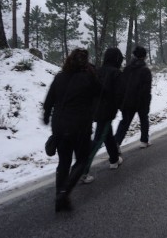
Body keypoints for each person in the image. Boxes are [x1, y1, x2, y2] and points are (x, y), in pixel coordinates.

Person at [43, 48, 101, 212]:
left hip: (59, 125)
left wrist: (47, 115)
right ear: (85, 62)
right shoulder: (88, 78)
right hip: (79, 126)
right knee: (82, 160)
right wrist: (93, 72)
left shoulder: (59, 77)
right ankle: (64, 192)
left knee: (64, 162)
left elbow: (49, 100)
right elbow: (100, 91)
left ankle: (60, 199)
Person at [90, 47, 124, 170]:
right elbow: (119, 94)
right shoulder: (116, 73)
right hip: (107, 110)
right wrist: (122, 108)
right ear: (117, 59)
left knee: (107, 134)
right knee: (98, 140)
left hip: (95, 109)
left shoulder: (98, 71)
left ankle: (114, 159)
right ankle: (82, 169)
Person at [115, 45, 152, 150]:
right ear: (144, 56)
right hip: (141, 100)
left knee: (125, 122)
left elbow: (122, 86)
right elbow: (147, 90)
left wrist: (122, 101)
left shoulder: (127, 69)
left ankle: (117, 143)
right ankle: (144, 141)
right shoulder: (145, 70)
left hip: (128, 100)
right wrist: (147, 102)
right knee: (144, 119)